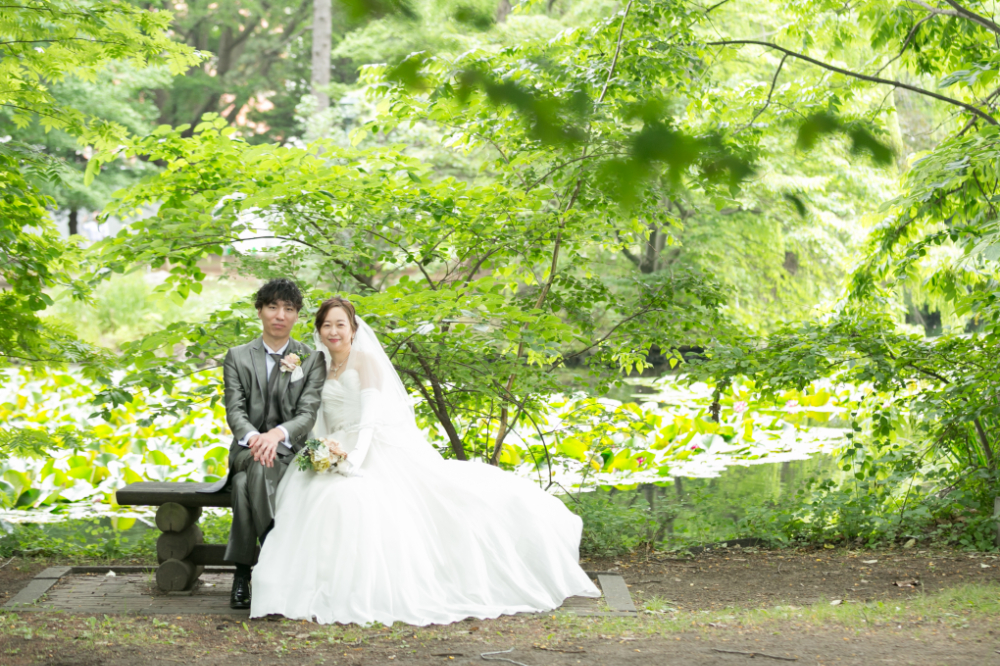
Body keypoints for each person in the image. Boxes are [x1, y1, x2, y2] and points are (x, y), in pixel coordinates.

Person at [250, 296, 600, 625]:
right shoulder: (318, 365)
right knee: (310, 493)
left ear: (353, 328)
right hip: (336, 446)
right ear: (319, 330)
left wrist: (355, 458)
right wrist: (321, 449)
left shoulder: (366, 361)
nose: (334, 331)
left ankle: (366, 588)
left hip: (372, 445)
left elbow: (370, 418)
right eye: (327, 325)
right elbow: (320, 417)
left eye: (341, 324)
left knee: (357, 499)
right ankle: (308, 586)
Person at [200, 278, 326, 609]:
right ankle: (274, 553)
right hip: (247, 450)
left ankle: (244, 573)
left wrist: (275, 436)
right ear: (259, 311)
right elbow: (235, 411)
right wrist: (257, 438)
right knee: (255, 464)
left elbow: (307, 414)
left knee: (244, 485)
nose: (279, 315)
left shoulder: (310, 359)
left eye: (288, 308)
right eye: (272, 306)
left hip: (290, 454)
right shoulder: (238, 357)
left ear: (297, 315)